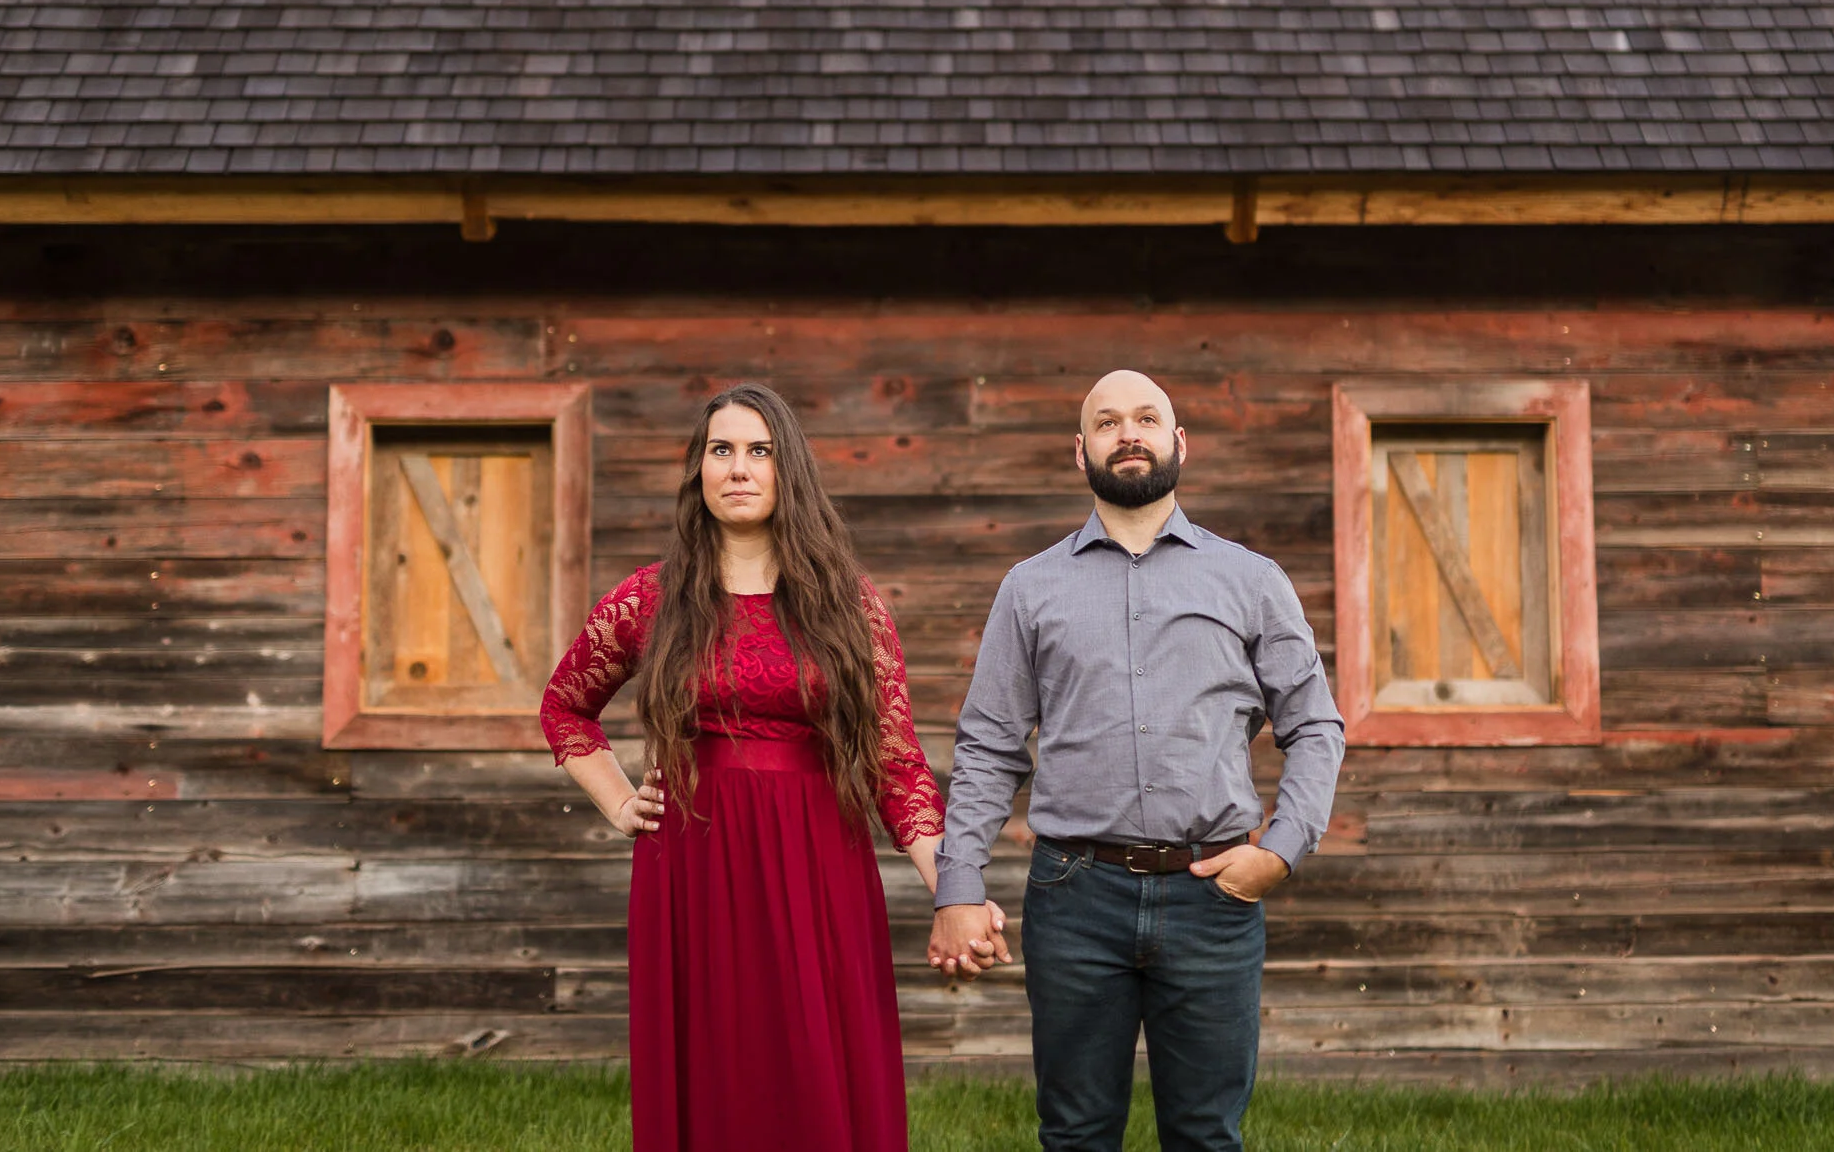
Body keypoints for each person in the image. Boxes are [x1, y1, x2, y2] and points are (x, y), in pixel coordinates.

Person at [541, 382, 977, 1152]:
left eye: (759, 450)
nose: (739, 468)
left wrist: (956, 889)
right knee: (714, 1066)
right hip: (692, 863)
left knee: (820, 1064)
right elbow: (564, 706)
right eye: (721, 450)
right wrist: (616, 802)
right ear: (698, 470)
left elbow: (896, 760)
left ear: (789, 471)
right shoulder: (651, 598)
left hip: (819, 861)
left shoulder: (849, 604)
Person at [927, 369, 1346, 1152]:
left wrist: (1280, 853)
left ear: (1178, 443)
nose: (1129, 432)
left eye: (1147, 418)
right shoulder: (1029, 589)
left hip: (1213, 899)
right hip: (1075, 897)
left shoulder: (1252, 582)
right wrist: (959, 884)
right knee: (1077, 1133)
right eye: (1108, 420)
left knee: (1205, 1134)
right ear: (1078, 450)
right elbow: (988, 745)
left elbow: (1315, 725)